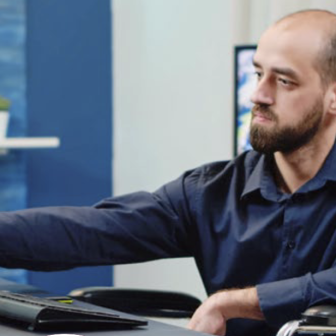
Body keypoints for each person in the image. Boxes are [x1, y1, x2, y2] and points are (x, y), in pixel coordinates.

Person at [0, 8, 336, 336]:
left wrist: (237, 302)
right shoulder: (210, 192)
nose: (257, 94)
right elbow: (91, 230)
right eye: (259, 73)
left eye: (284, 81)